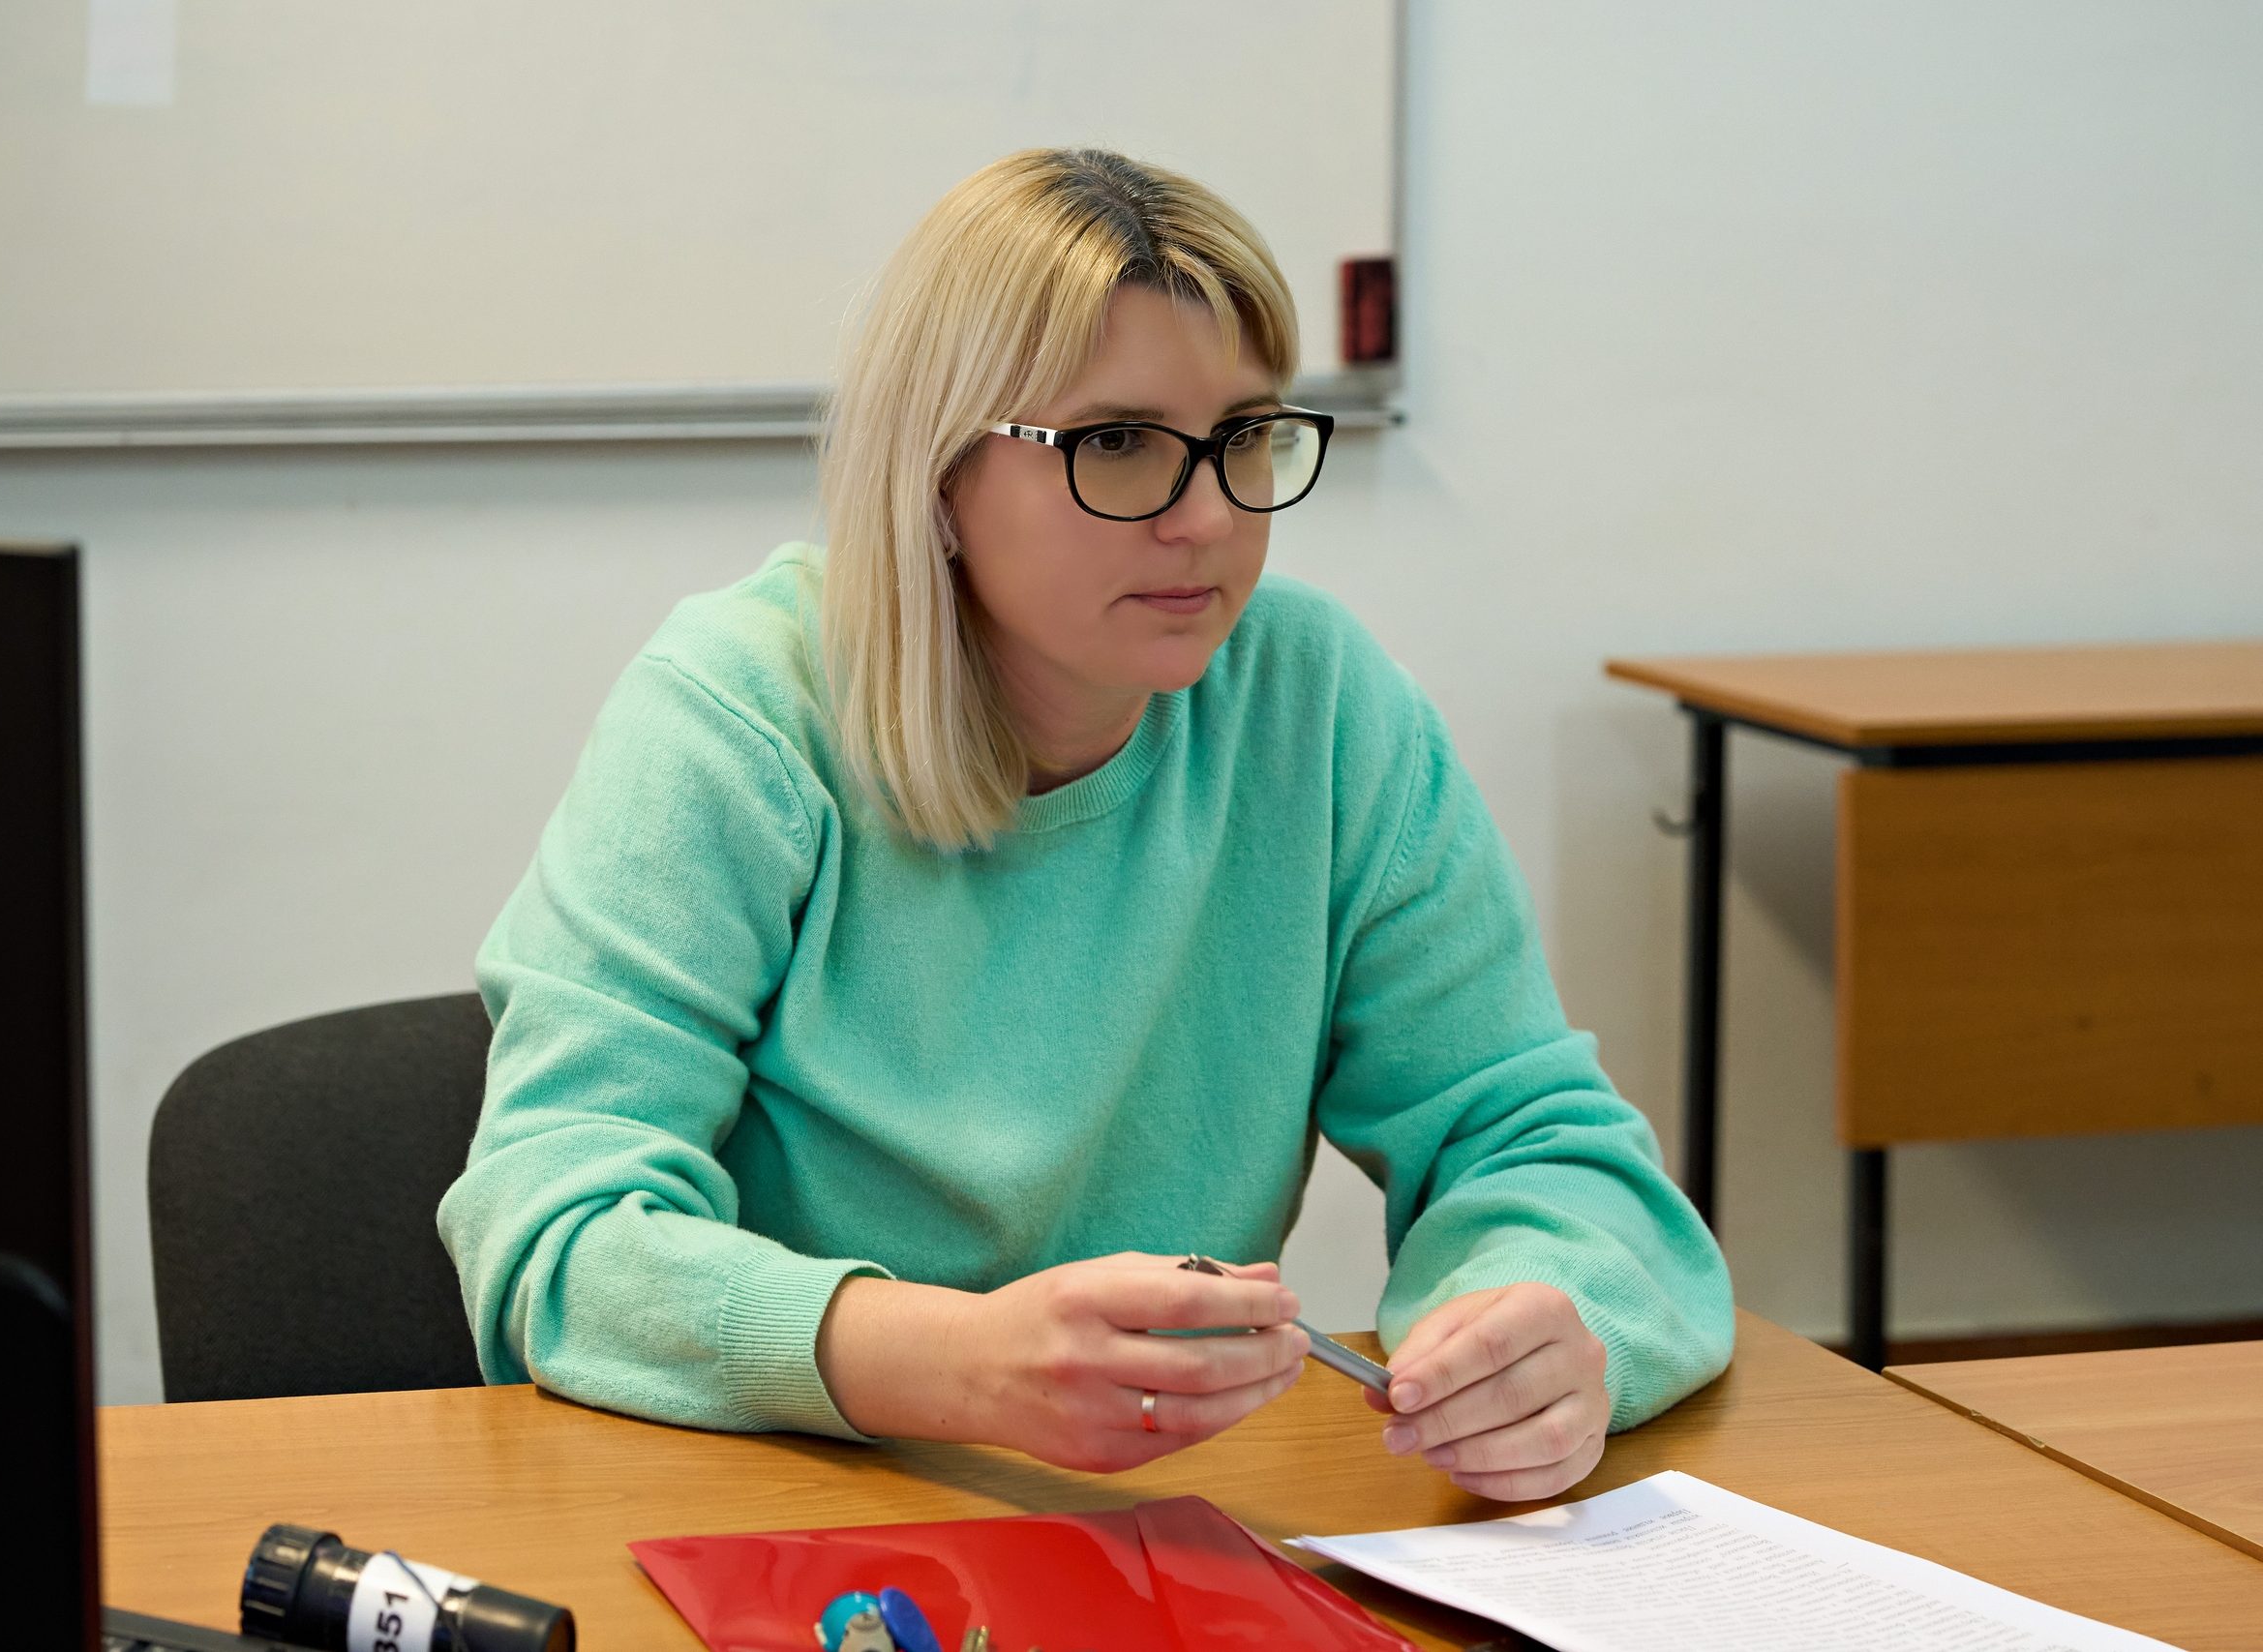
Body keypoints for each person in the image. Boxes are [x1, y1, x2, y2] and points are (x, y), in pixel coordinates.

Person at [438, 147, 1733, 1502]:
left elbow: (1535, 1143)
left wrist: (1545, 1325)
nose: (1208, 517)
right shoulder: (739, 714)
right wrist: (960, 1367)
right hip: (770, 1508)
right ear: (940, 475)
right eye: (1118, 444)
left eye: (1246, 436)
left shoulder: (1317, 704)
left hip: (1157, 1519)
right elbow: (557, 1235)